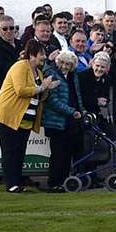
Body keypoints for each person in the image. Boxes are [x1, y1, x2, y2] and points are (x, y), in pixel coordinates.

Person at [0, 38, 49, 192]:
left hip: (25, 119)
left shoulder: (39, 72)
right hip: (9, 115)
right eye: (41, 54)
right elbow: (21, 90)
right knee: (10, 151)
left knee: (20, 151)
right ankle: (11, 184)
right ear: (32, 55)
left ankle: (17, 181)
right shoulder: (20, 67)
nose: (44, 57)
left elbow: (39, 96)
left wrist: (47, 88)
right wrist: (41, 87)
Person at [41, 49, 88, 191]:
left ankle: (64, 181)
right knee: (58, 153)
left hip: (70, 122)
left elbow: (77, 94)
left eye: (68, 64)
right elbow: (52, 100)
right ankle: (54, 182)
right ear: (58, 62)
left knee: (68, 153)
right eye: (62, 63)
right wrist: (71, 111)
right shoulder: (52, 74)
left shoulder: (73, 76)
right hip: (57, 122)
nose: (65, 66)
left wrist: (81, 109)